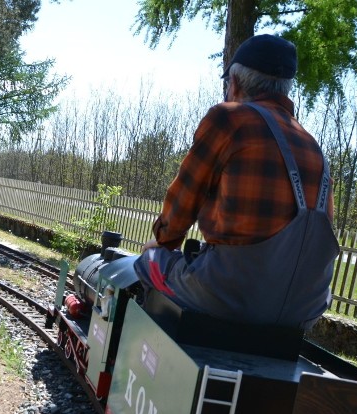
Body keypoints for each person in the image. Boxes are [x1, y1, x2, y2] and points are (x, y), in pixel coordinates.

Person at [134, 34, 339, 331]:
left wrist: (163, 242)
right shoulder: (313, 146)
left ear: (235, 83)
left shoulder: (228, 118)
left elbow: (184, 198)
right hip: (304, 311)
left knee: (150, 260)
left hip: (230, 297)